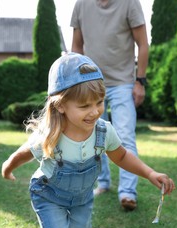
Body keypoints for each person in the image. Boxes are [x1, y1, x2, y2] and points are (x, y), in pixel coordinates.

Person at [1, 52, 175, 228]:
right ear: (60, 105)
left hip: (82, 198)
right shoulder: (50, 134)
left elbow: (121, 156)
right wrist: (8, 167)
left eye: (99, 102)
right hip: (47, 195)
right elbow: (24, 154)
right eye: (84, 106)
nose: (94, 111)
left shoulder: (103, 131)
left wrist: (150, 173)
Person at [70, 0, 150, 211]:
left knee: (125, 136)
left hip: (123, 83)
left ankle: (128, 192)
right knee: (94, 137)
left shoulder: (130, 3)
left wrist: (140, 81)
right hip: (92, 85)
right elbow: (77, 45)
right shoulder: (81, 5)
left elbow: (142, 42)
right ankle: (103, 182)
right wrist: (78, 80)